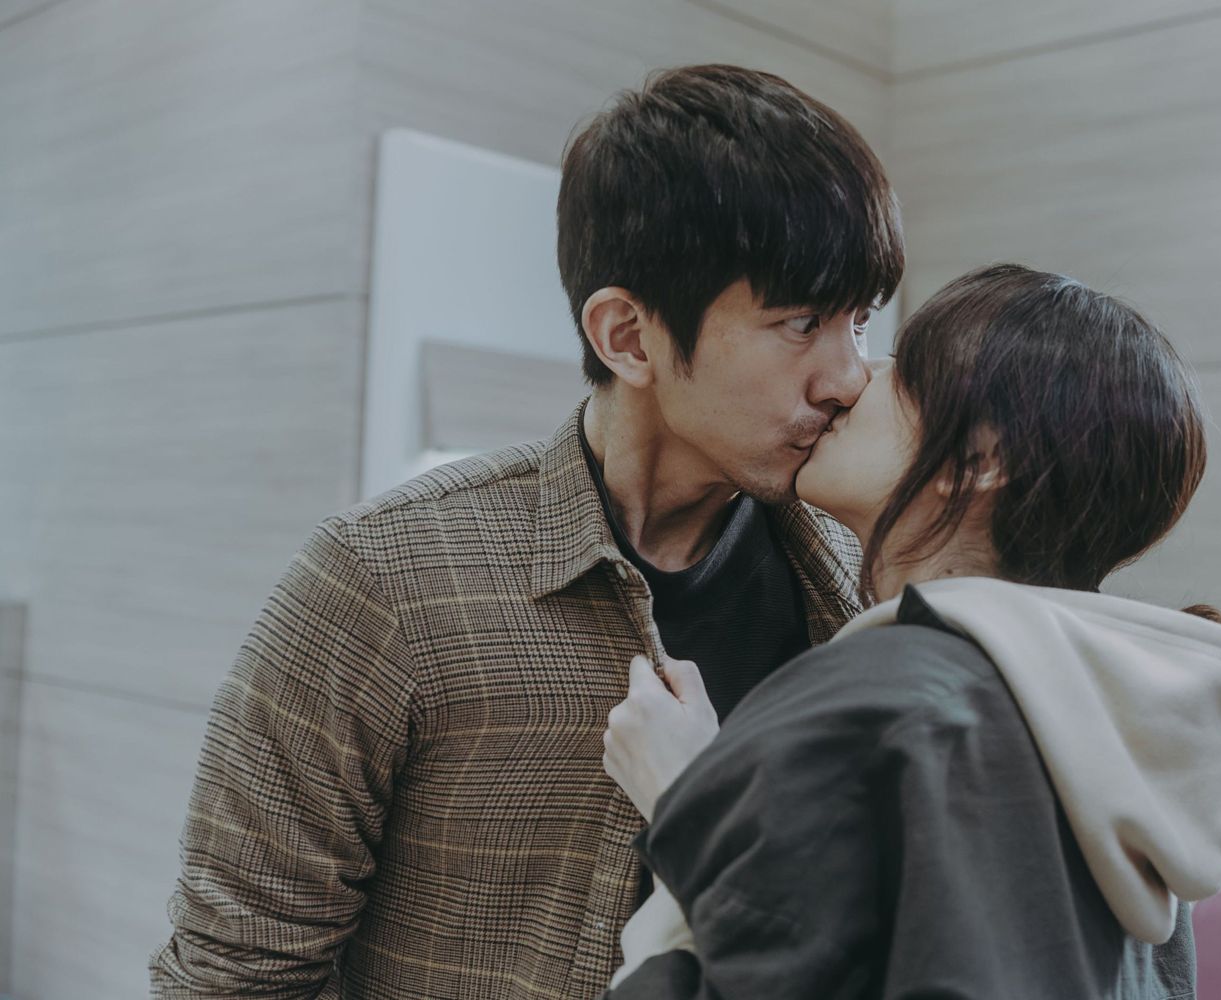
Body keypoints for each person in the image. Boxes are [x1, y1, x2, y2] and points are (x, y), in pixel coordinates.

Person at [149, 64, 903, 1000]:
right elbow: (237, 976)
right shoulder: (383, 580)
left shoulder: (859, 583)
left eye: (859, 323)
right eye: (802, 321)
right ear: (628, 337)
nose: (849, 377)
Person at [599, 264, 1221, 998]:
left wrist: (691, 799)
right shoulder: (1114, 734)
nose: (852, 382)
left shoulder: (887, 702)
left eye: (898, 366)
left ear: (976, 462)